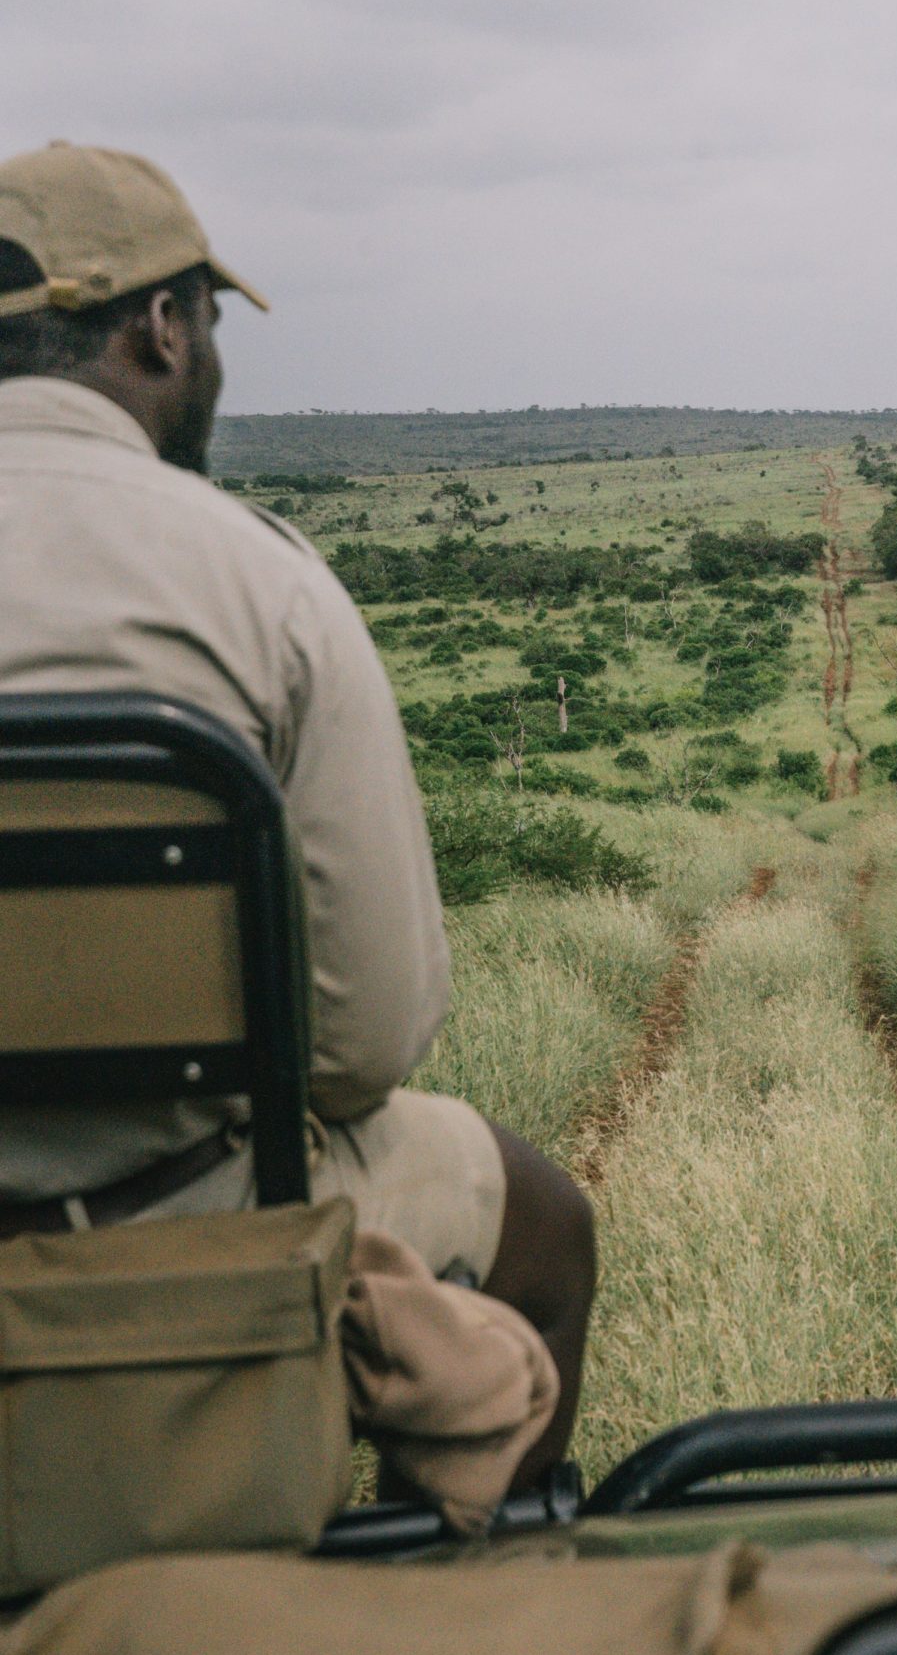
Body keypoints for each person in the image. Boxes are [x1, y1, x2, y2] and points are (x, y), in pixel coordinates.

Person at [0, 140, 594, 1484]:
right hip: (170, 1216)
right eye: (208, 324)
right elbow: (368, 1040)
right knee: (546, 1224)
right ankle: (444, 1601)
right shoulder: (255, 581)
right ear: (161, 327)